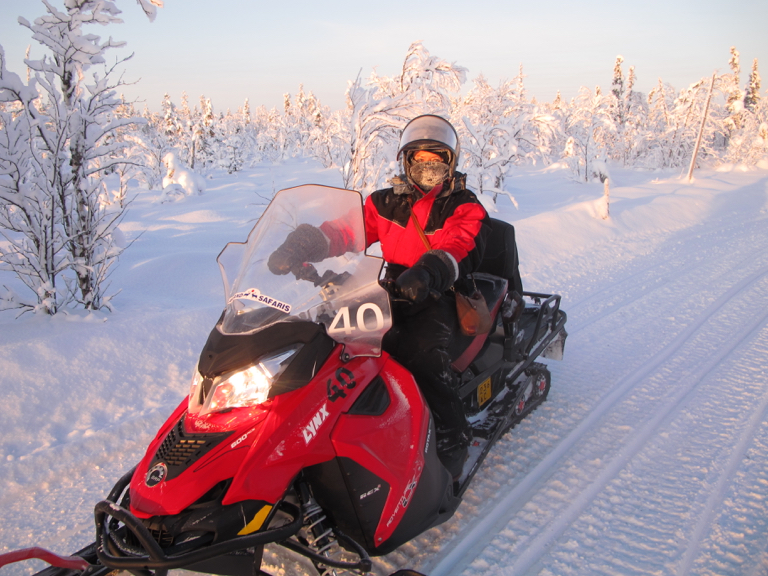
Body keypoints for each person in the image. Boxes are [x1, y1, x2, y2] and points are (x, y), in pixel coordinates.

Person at [269, 115, 491, 479]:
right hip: (392, 287)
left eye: (436, 160)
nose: (427, 168)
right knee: (332, 342)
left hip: (442, 290)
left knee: (417, 354)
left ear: (450, 163)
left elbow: (460, 243)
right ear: (405, 162)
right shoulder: (386, 202)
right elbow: (346, 230)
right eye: (418, 160)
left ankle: (453, 436)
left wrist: (432, 269)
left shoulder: (463, 205)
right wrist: (303, 244)